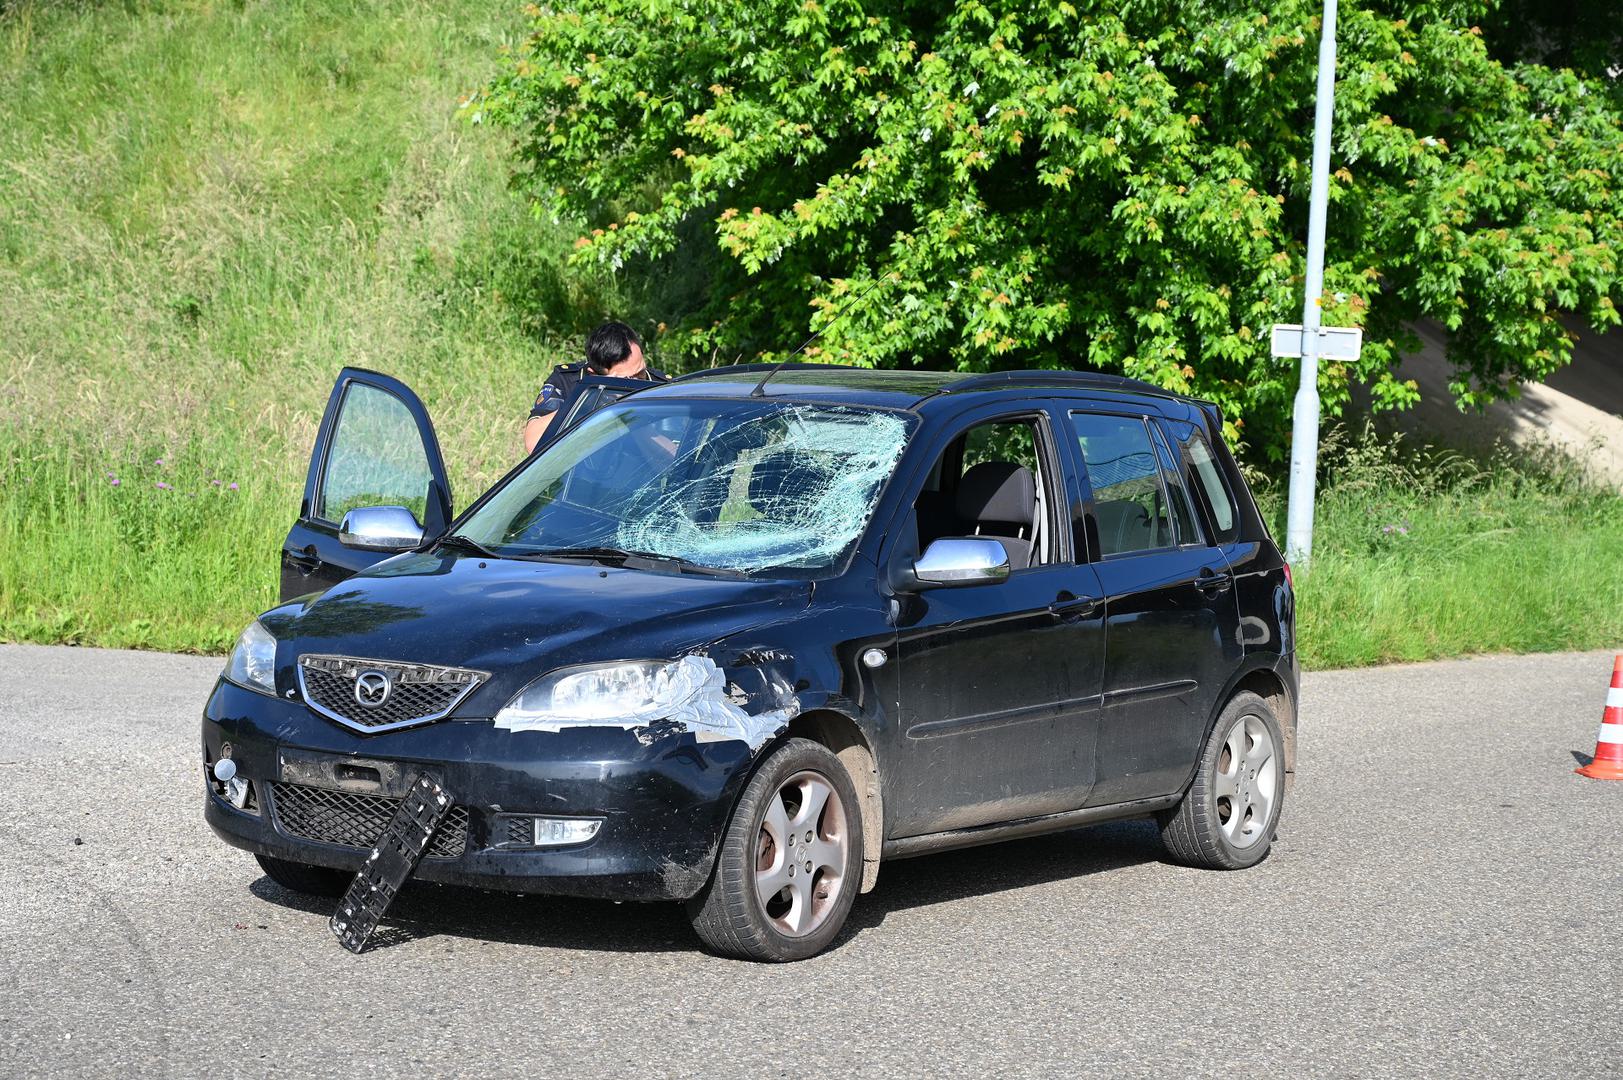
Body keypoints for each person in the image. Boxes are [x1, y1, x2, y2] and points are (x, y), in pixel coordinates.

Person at [522, 322, 670, 454]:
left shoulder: (661, 387)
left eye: (641, 372)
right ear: (593, 375)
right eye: (627, 380)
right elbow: (533, 444)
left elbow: (677, 460)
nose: (637, 384)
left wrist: (634, 418)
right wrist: (587, 400)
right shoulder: (571, 381)